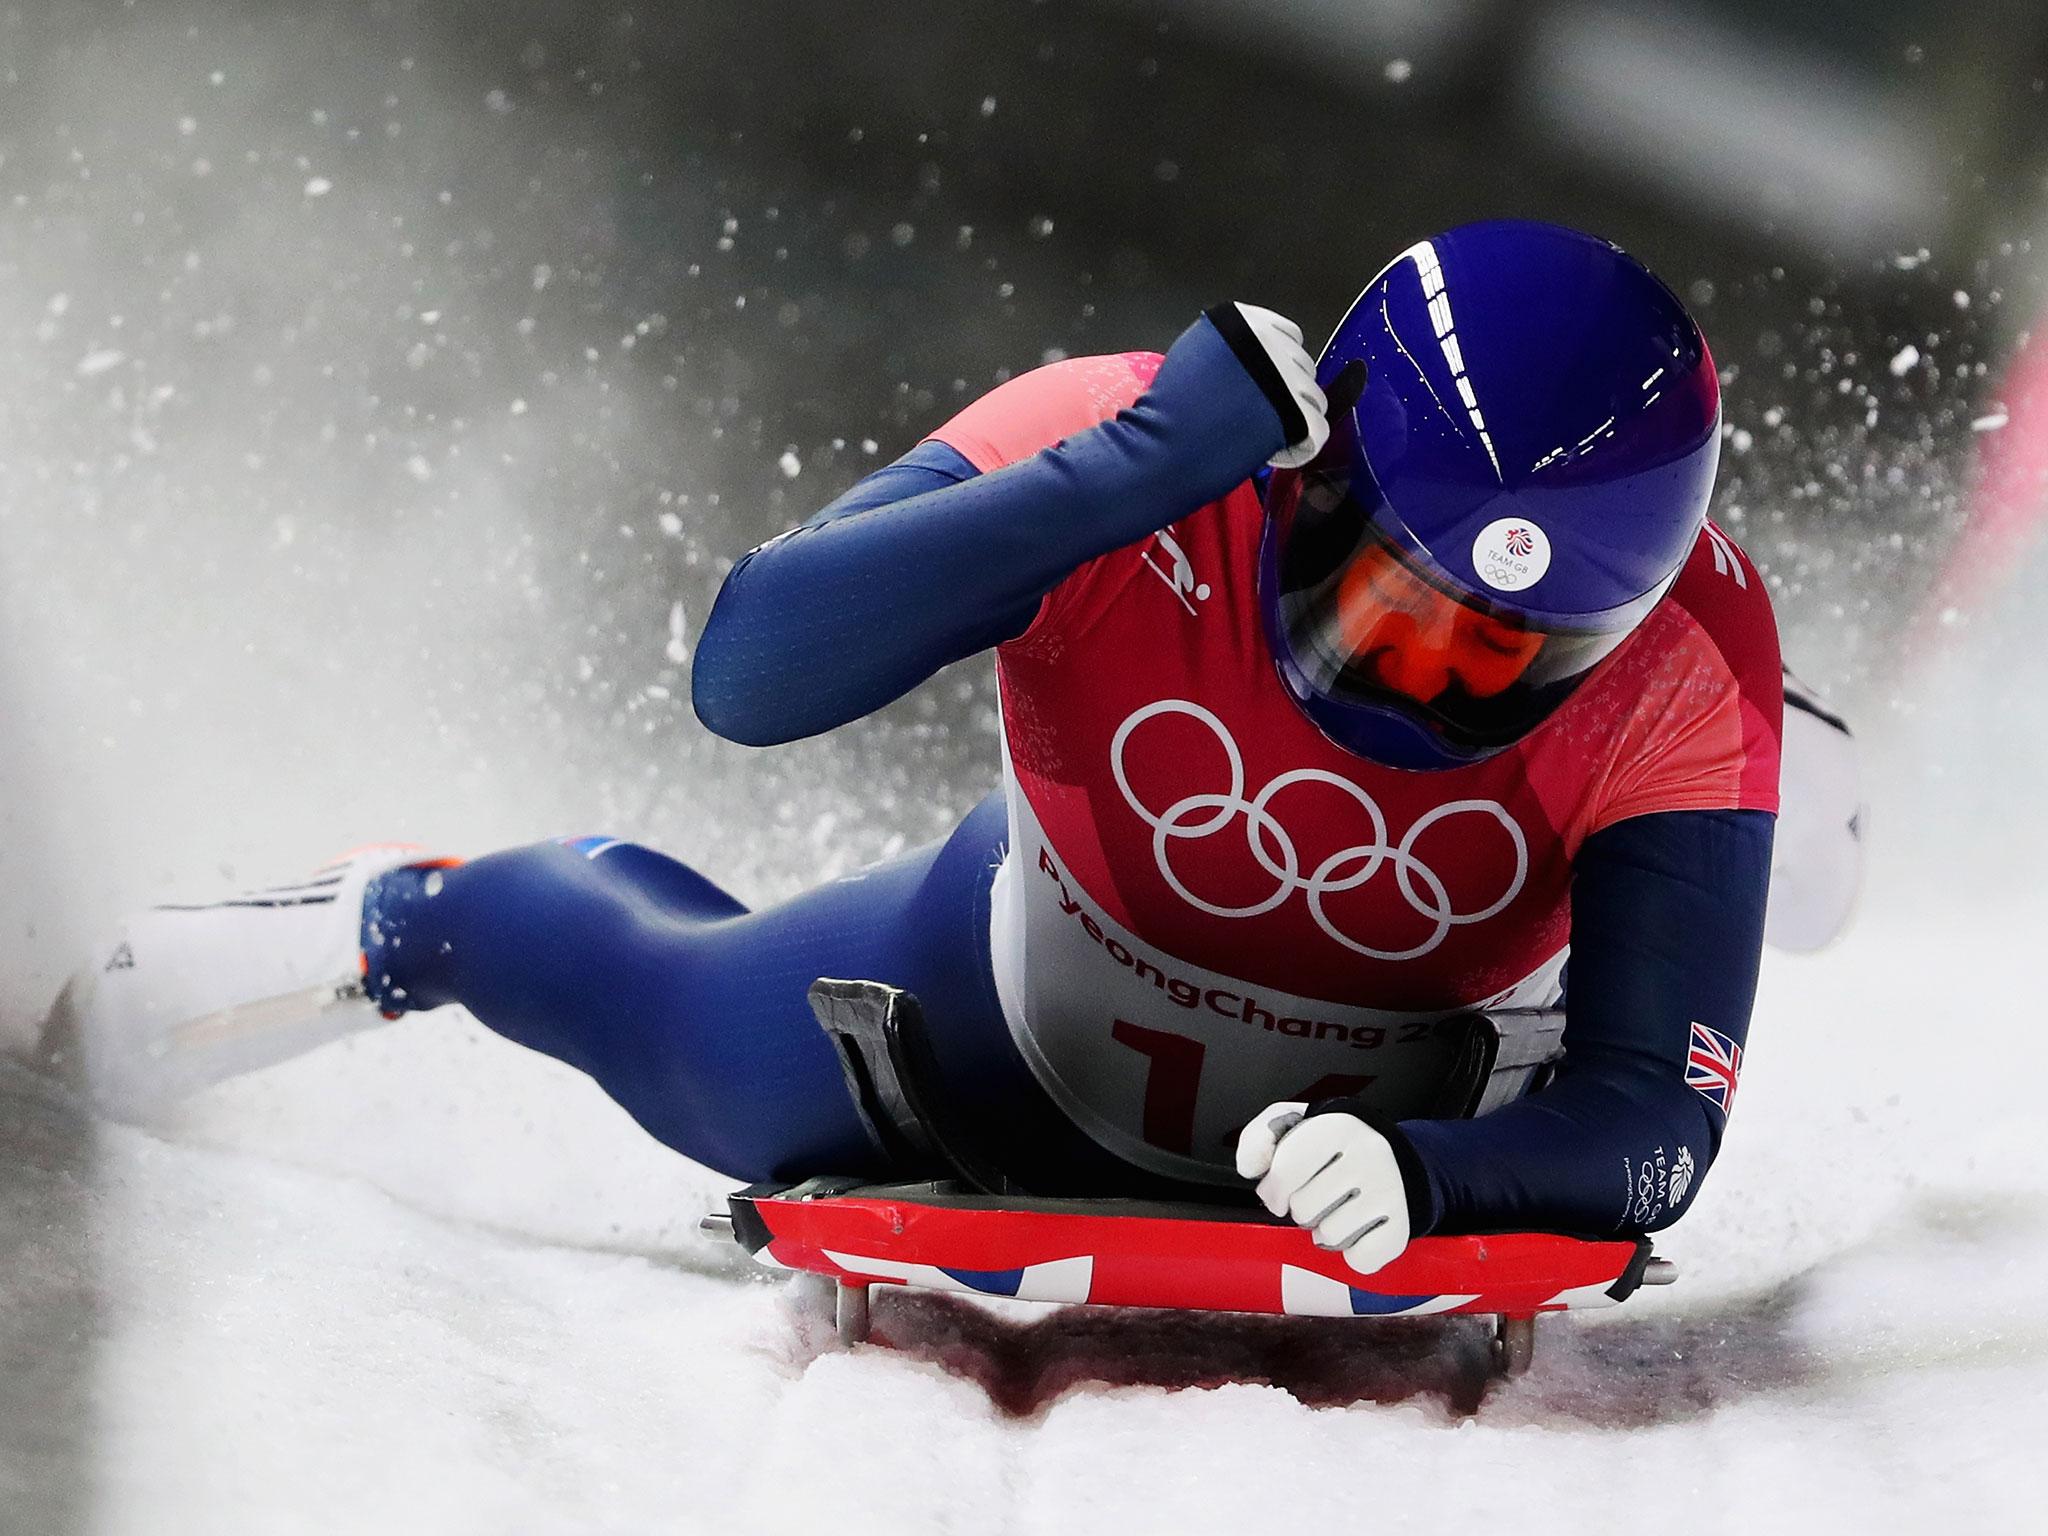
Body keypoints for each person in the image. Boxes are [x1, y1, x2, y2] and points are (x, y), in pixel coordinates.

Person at [47, 221, 1796, 1275]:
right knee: (659, 1012)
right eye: (1380, 607)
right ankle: (384, 921)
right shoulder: (1131, 437)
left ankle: (1809, 808)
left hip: (1405, 1094)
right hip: (1009, 986)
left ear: (1617, 630)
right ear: (1309, 478)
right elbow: (748, 674)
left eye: (1501, 659)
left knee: (1732, 825)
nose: (1412, 687)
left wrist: (1436, 1175)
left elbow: (1654, 1127)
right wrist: (1121, 477)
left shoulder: (1693, 664)